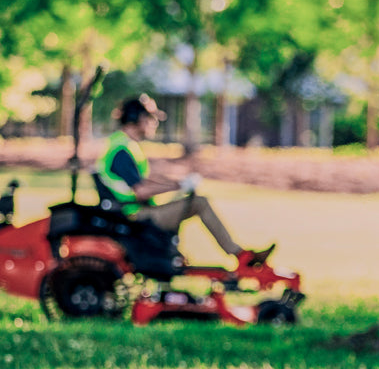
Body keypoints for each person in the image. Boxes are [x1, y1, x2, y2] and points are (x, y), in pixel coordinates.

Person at [96, 94, 273, 268]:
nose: (154, 123)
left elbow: (147, 180)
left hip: (134, 211)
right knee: (199, 202)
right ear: (137, 118)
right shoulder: (122, 149)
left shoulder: (124, 144)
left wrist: (179, 184)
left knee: (188, 197)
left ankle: (176, 253)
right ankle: (240, 256)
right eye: (151, 118)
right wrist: (178, 185)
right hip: (134, 215)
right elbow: (140, 190)